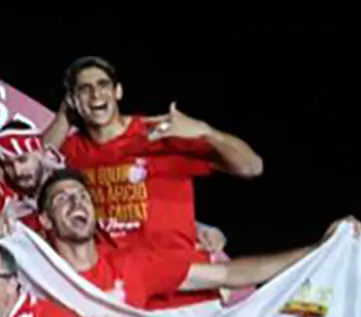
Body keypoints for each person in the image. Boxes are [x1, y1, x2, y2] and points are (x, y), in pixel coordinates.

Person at [31, 170, 361, 308]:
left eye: (82, 196)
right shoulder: (34, 277)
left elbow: (230, 274)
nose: (77, 203)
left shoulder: (133, 266)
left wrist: (319, 249)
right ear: (44, 220)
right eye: (62, 200)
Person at [43, 55, 262, 255]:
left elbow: (252, 167)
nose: (96, 94)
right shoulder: (72, 151)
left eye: (103, 84)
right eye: (84, 89)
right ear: (73, 100)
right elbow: (34, 163)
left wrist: (207, 132)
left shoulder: (160, 134)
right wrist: (63, 116)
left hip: (178, 277)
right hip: (114, 280)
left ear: (118, 92)